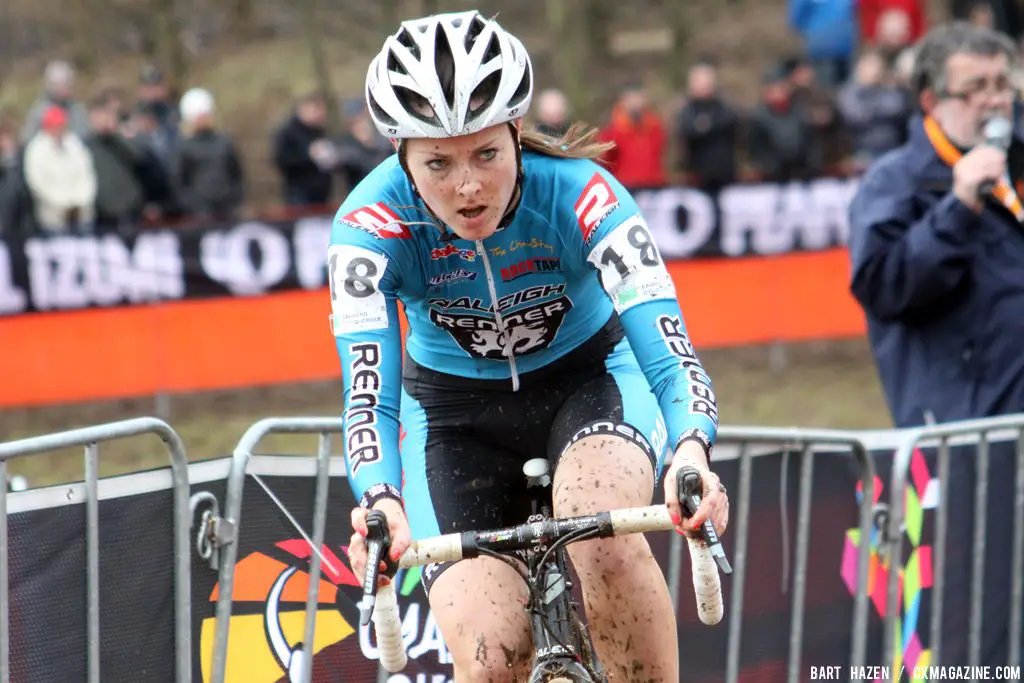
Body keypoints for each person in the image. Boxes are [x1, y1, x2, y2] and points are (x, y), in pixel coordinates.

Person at [332, 11, 729, 681]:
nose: (466, 186)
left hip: (590, 380)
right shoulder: (369, 227)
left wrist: (691, 445)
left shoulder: (584, 196)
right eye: (438, 162)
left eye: (486, 153)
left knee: (598, 533)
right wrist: (380, 499)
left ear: (517, 133)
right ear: (400, 156)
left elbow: (671, 353)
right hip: (453, 420)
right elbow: (369, 395)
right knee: (491, 658)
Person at [847, 21, 1024, 668]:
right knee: (977, 626)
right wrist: (957, 206)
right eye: (974, 87)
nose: (995, 99)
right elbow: (884, 284)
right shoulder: (897, 183)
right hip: (964, 445)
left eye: (1003, 84)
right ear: (931, 100)